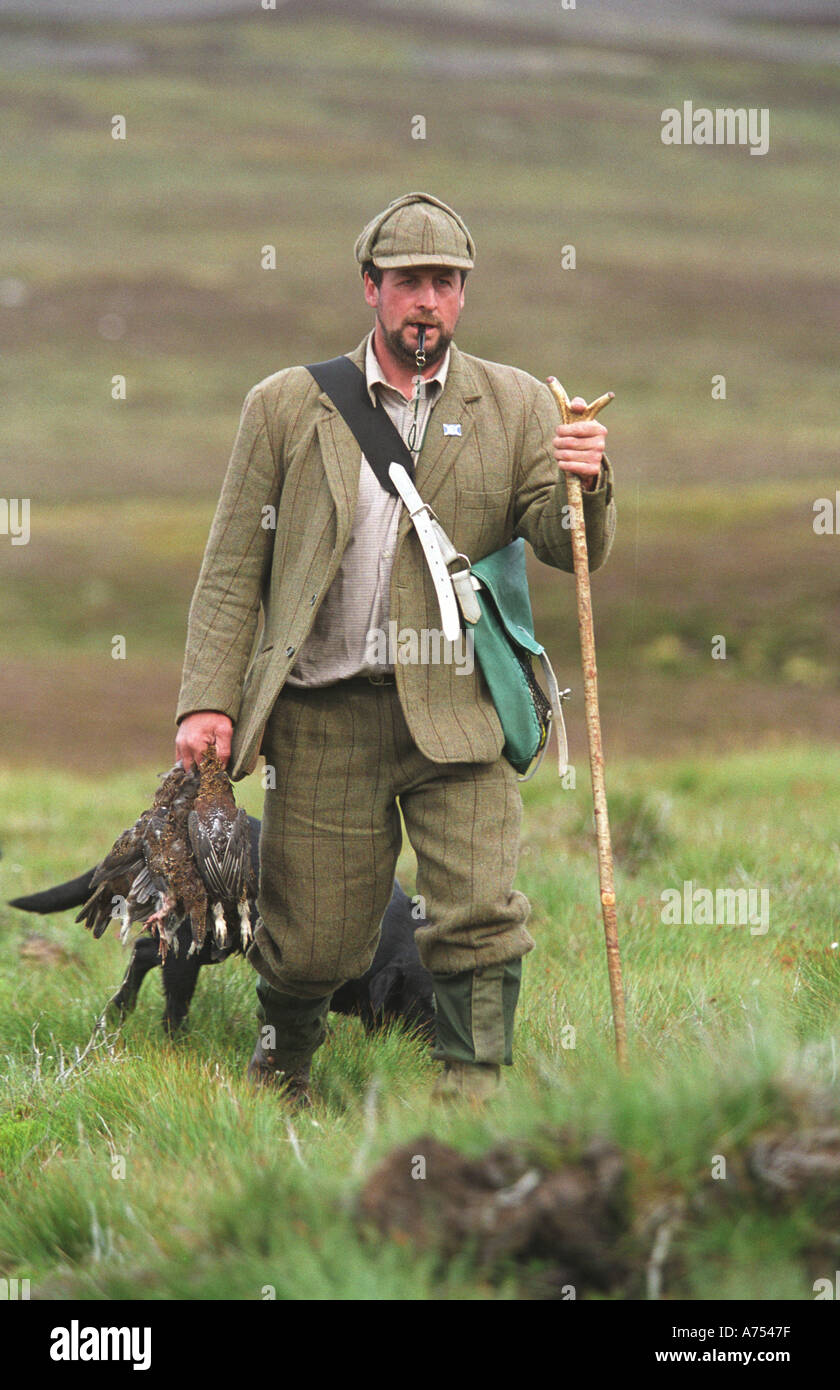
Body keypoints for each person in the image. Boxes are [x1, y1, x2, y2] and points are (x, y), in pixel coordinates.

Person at [174, 191, 616, 1104]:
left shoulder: (520, 403)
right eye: (410, 281)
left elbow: (568, 543)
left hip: (461, 710)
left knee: (481, 914)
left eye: (446, 283)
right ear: (370, 287)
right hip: (324, 711)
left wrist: (589, 478)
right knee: (315, 942)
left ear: (463, 295)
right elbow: (229, 572)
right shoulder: (286, 407)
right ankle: (282, 1069)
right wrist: (206, 700)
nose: (429, 300)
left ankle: (471, 1098)